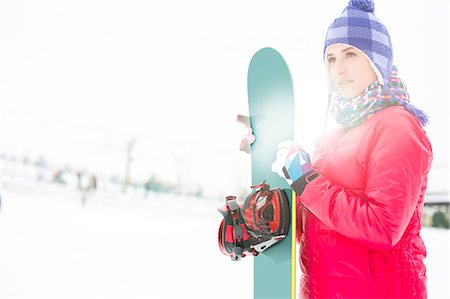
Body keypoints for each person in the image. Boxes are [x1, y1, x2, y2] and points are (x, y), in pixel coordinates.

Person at [271, 0, 433, 298]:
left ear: (377, 61)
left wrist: (307, 180)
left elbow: (383, 227)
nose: (338, 69)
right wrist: (270, 210)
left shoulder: (398, 126)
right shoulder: (335, 135)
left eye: (350, 55)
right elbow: (319, 220)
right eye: (330, 59)